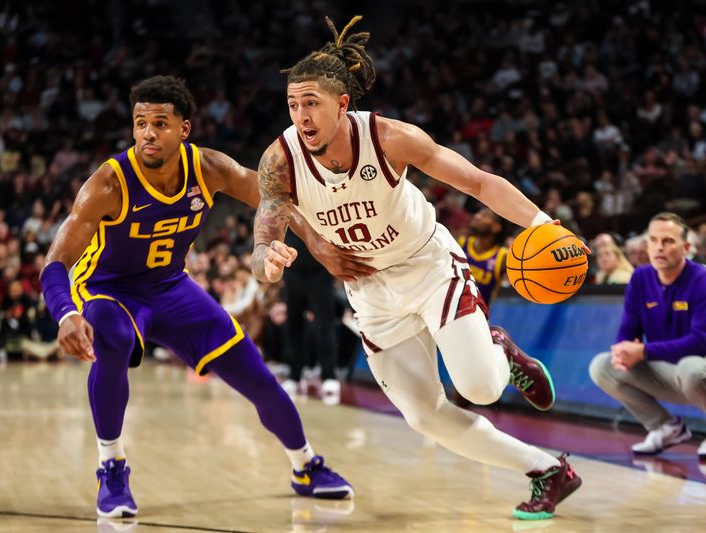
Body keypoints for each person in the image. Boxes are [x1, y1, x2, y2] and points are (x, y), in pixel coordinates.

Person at [250, 16, 582, 520]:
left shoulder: (389, 138)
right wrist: (265, 254)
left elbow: (477, 181)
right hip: (370, 291)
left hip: (427, 267)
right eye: (293, 104)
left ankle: (501, 350)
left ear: (343, 104)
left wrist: (543, 224)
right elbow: (270, 214)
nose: (301, 115)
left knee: (480, 389)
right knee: (424, 416)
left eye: (311, 103)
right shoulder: (280, 158)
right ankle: (547, 470)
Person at [40, 76, 355, 519]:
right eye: (140, 123)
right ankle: (111, 466)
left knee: (257, 376)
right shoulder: (108, 184)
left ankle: (305, 466)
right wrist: (65, 313)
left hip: (172, 287)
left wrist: (318, 243)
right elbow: (55, 262)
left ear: (183, 129)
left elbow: (273, 197)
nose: (148, 133)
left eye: (160, 123)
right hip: (110, 290)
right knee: (111, 334)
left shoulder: (208, 168)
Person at [589, 212, 706, 459]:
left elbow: (700, 341)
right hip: (668, 374)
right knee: (602, 366)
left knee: (691, 369)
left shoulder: (701, 279)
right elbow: (628, 330)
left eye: (668, 241)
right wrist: (622, 351)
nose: (659, 247)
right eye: (653, 240)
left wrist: (643, 351)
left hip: (698, 370)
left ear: (686, 247)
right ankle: (665, 428)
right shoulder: (641, 278)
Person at [281, 233, 342, 404]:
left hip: (319, 271)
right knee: (293, 325)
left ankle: (329, 375)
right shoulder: (285, 207)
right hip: (292, 271)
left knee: (325, 324)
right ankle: (294, 376)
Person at [457, 208, 508, 306]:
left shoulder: (502, 256)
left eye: (484, 216)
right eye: (478, 213)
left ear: (496, 227)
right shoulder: (462, 242)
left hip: (476, 316)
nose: (477, 216)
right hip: (449, 307)